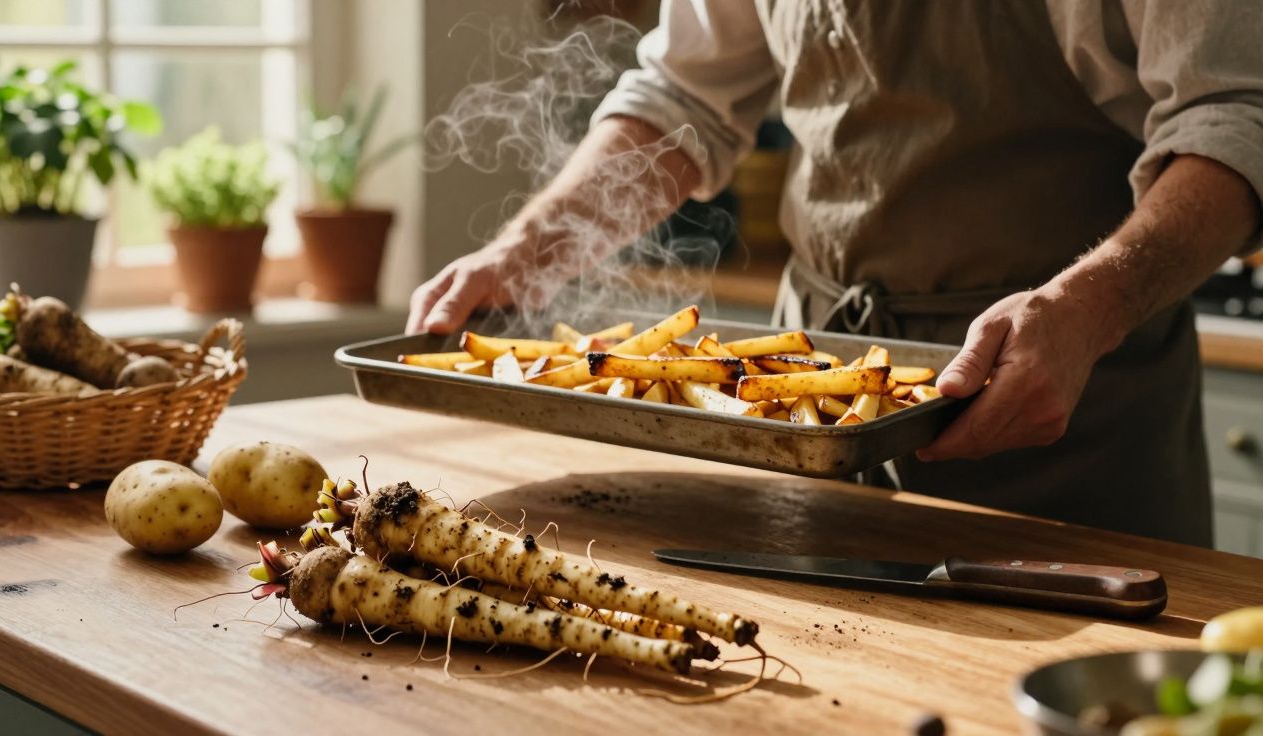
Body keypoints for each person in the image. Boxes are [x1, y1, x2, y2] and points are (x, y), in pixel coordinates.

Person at [407, 1, 1262, 546]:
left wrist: (1084, 307)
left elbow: (1234, 116)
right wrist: (526, 246)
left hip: (1074, 404)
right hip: (805, 410)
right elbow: (682, 98)